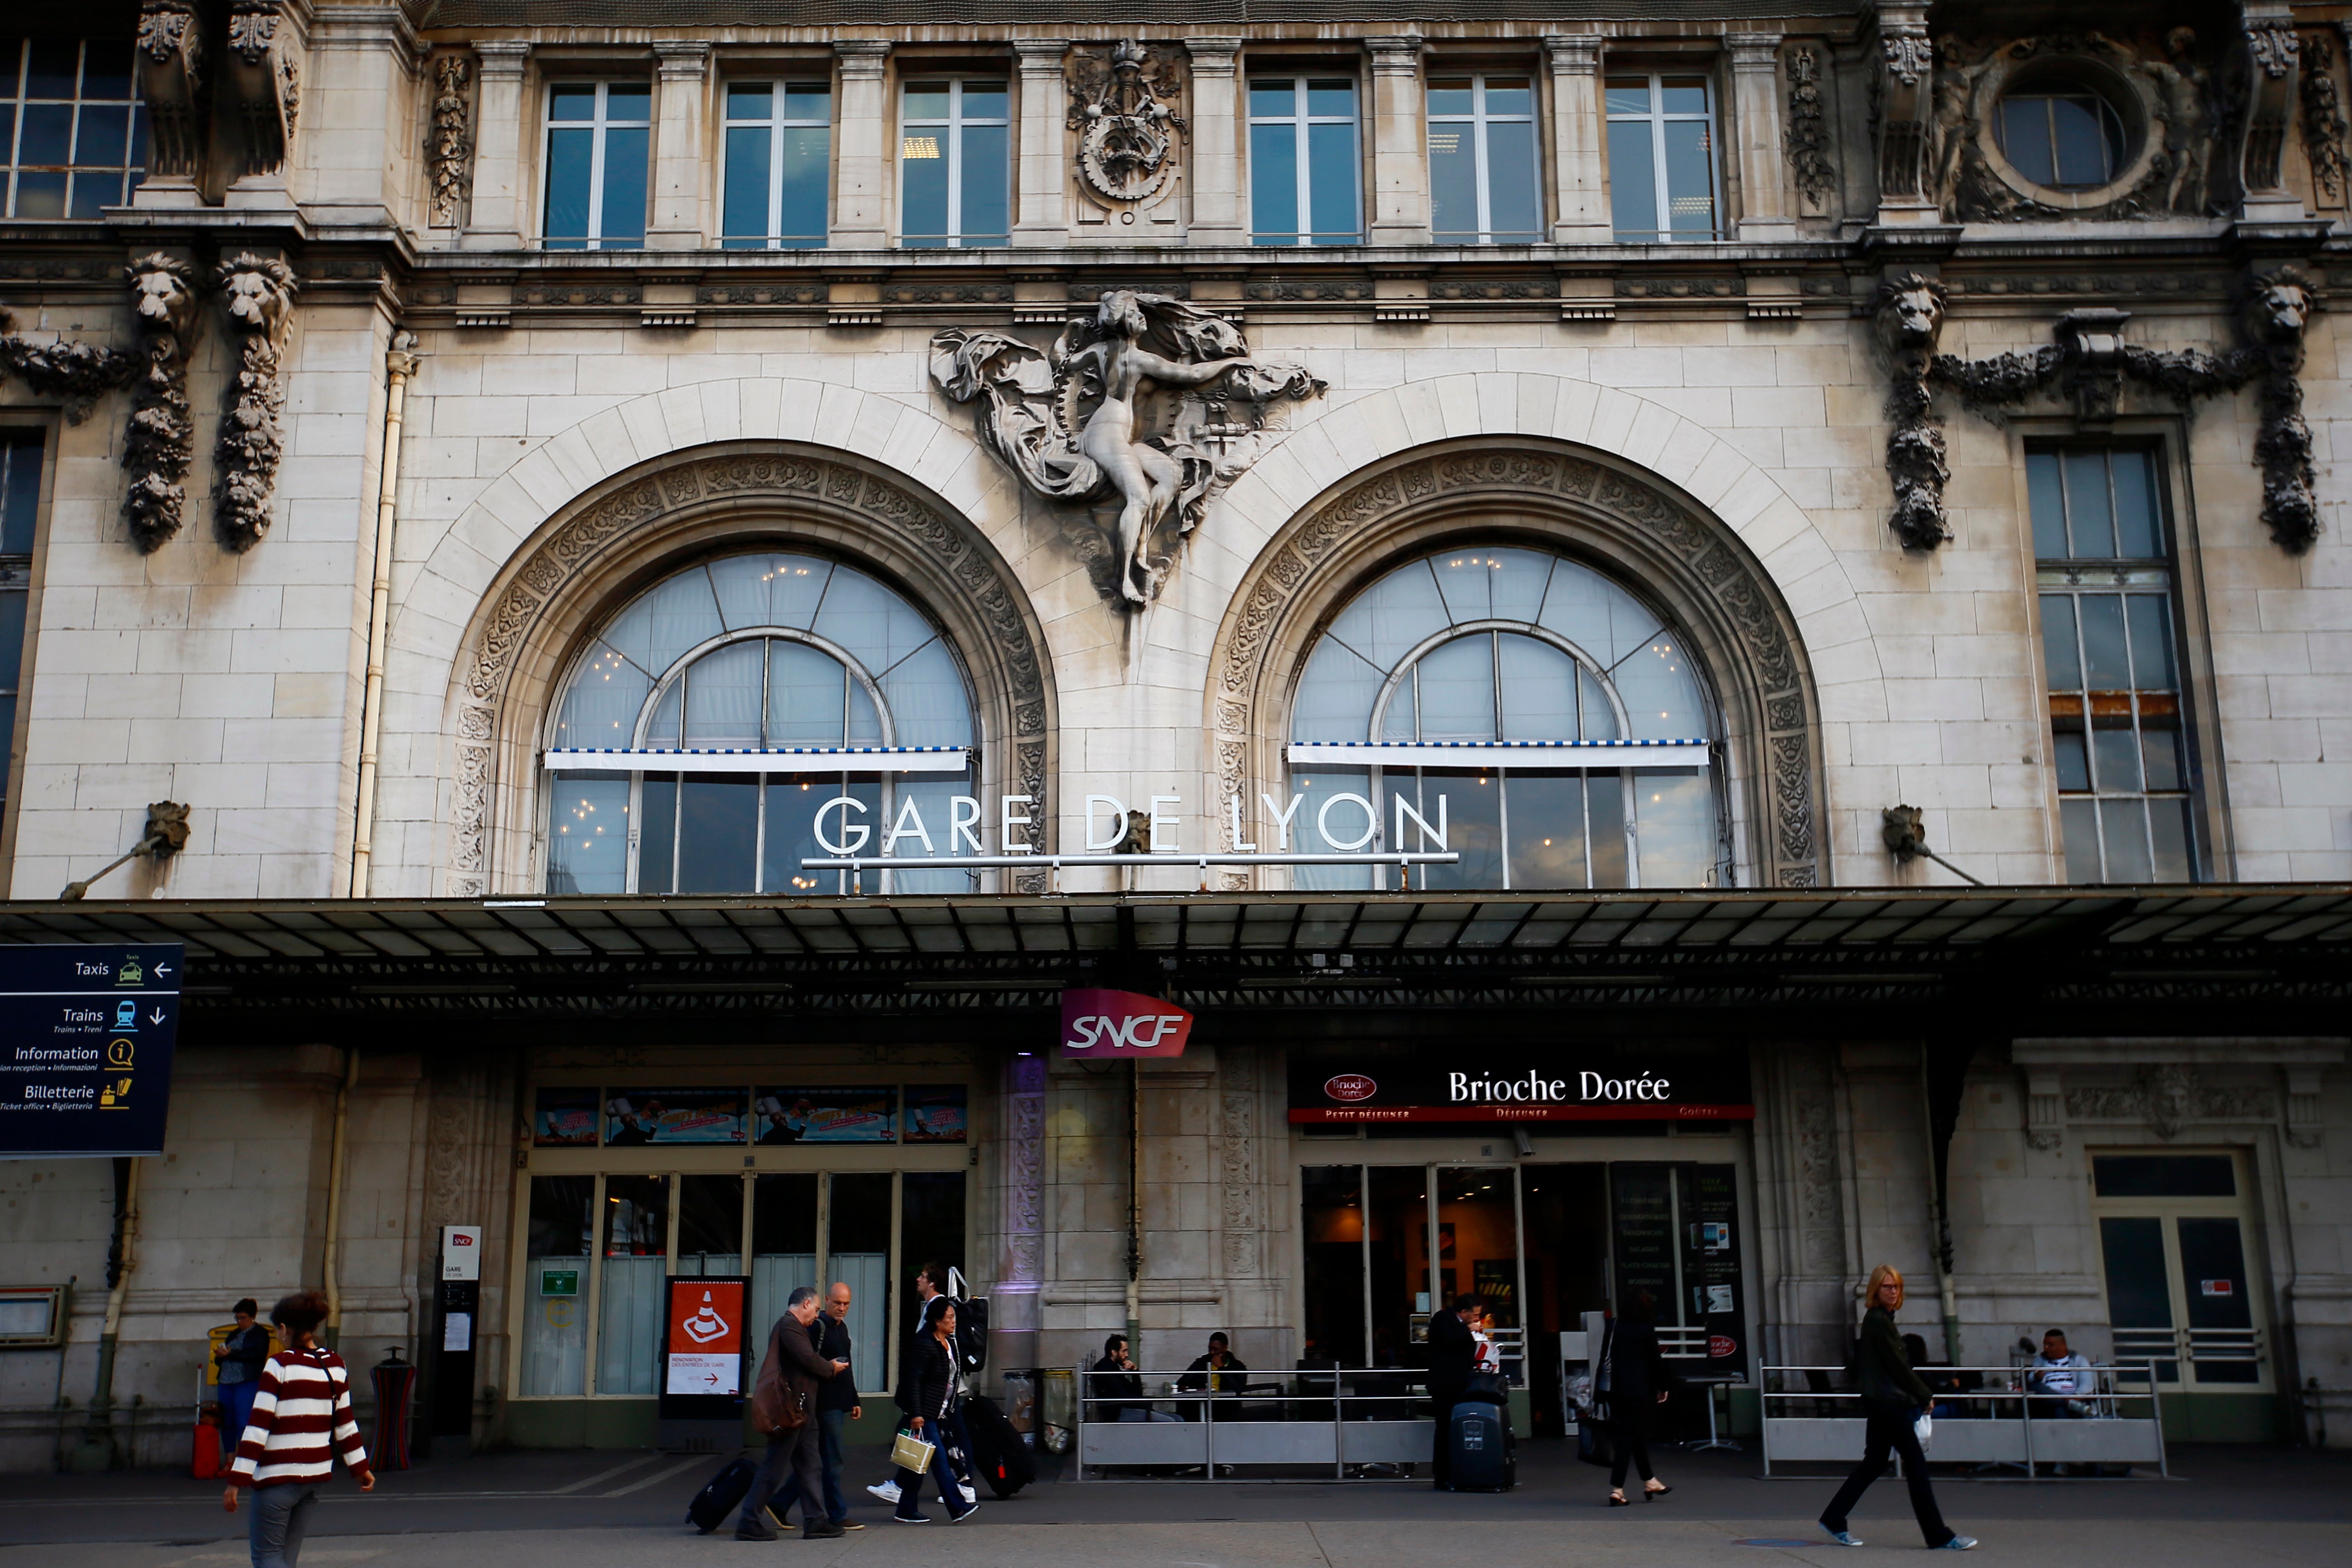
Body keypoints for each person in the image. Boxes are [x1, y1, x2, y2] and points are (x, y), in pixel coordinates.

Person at [1818, 1265, 1976, 1552]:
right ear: (1876, 1290)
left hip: (1881, 1401)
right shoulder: (1878, 1320)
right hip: (1886, 1402)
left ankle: (1833, 1518)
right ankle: (1939, 1536)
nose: (1893, 1291)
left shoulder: (1881, 1320)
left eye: (1897, 1287)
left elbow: (1871, 1363)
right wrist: (1924, 1394)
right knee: (1915, 1465)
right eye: (1887, 1287)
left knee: (1875, 1463)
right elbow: (1896, 1366)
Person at [220, 1291, 373, 1568]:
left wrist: (236, 1479)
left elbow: (258, 1425)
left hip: (277, 1478)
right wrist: (361, 1468)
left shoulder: (279, 1365)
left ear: (283, 1329)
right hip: (314, 1477)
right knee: (285, 1559)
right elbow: (346, 1424)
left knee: (267, 1557)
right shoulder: (336, 1365)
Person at [738, 1286, 848, 1542]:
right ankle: (748, 1520)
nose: (817, 1315)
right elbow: (808, 1359)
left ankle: (816, 1521)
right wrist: (831, 1368)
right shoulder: (789, 1326)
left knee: (811, 1465)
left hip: (802, 1411)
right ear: (806, 1304)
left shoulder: (793, 1328)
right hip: (790, 1411)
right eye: (818, 1309)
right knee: (774, 1467)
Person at [869, 1261, 976, 1509]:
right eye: (950, 1318)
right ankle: (908, 1500)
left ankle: (959, 1492)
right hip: (931, 1403)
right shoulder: (930, 1333)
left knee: (933, 1448)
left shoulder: (938, 1316)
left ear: (933, 1283)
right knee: (924, 1447)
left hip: (937, 1401)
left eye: (923, 1276)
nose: (918, 1279)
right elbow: (919, 1373)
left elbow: (927, 1372)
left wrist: (921, 1409)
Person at [896, 1296, 978, 1524]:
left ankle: (905, 1508)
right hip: (925, 1413)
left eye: (954, 1317)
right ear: (937, 1321)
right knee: (940, 1459)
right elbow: (914, 1380)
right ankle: (957, 1507)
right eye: (950, 1317)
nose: (954, 1321)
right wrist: (916, 1414)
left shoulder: (948, 1342)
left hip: (940, 1411)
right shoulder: (924, 1344)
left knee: (918, 1462)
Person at [799, 1283, 864, 1532]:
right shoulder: (818, 1326)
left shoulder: (841, 1328)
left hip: (838, 1401)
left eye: (846, 1304)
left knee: (819, 1460)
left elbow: (847, 1367)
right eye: (837, 1303)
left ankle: (779, 1503)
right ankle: (837, 1514)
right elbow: (808, 1361)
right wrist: (828, 1368)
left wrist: (854, 1399)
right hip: (824, 1403)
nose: (842, 1308)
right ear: (826, 1300)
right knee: (832, 1460)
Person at [1603, 1290, 1674, 1506]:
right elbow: (1656, 1361)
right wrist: (1663, 1387)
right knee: (1627, 1439)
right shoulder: (1645, 1330)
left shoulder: (1614, 1326)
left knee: (1634, 1435)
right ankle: (1617, 1490)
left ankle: (1650, 1480)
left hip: (1615, 1390)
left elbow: (1605, 1356)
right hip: (1639, 1391)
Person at [1425, 1294, 1480, 1490]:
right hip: (1444, 1385)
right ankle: (1442, 1476)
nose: (1476, 1319)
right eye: (1474, 1315)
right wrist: (1468, 1330)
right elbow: (1448, 1339)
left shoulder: (1458, 1326)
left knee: (1456, 1429)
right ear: (1463, 1312)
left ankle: (1457, 1472)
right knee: (1445, 1430)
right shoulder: (1442, 1320)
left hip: (1460, 1383)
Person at [213, 1298, 271, 1460]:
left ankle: (245, 1461)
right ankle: (230, 1460)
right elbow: (221, 1360)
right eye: (237, 1318)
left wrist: (231, 1354)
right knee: (227, 1420)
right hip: (226, 1380)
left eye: (243, 1318)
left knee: (243, 1421)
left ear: (253, 1317)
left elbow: (257, 1356)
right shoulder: (234, 1334)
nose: (240, 1322)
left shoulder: (260, 1334)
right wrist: (221, 1356)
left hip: (246, 1380)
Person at [1093, 1333, 1179, 1422]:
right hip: (1118, 1413)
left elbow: (1136, 1392)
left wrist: (1135, 1372)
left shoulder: (1113, 1367)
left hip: (1124, 1408)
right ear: (1114, 1352)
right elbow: (1123, 1395)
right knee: (1170, 1421)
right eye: (1124, 1351)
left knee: (1178, 1419)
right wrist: (1145, 1404)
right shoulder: (1105, 1368)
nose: (1127, 1355)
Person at [2028, 1329, 2092, 1419]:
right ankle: (2070, 1404)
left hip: (2073, 1395)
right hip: (2049, 1398)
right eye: (2045, 1344)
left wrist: (2075, 1396)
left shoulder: (2079, 1360)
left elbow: (2087, 1384)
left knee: (2060, 1409)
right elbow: (2030, 1378)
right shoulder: (2040, 1360)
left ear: (2063, 1346)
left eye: (2050, 1345)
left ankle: (2068, 1403)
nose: (2046, 1348)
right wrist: (2037, 1376)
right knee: (2035, 1385)